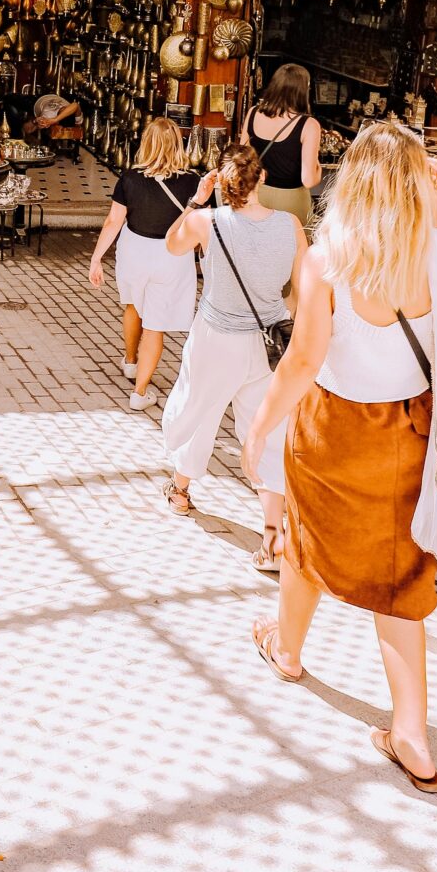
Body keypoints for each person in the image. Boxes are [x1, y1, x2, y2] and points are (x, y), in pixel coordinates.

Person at [244, 122, 437, 795]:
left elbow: (303, 359)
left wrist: (262, 420)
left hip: (334, 427)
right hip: (408, 430)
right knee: (401, 575)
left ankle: (286, 649)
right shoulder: (436, 251)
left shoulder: (329, 255)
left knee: (306, 540)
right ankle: (410, 730)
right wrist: (435, 207)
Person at [159, 142, 300, 571]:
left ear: (221, 183)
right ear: (262, 179)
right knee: (267, 433)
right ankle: (273, 539)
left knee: (198, 411)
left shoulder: (206, 221)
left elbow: (171, 245)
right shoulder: (291, 225)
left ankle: (181, 492)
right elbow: (301, 289)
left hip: (217, 336)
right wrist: (278, 319)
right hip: (267, 344)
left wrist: (196, 200)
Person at [87, 118, 202, 412]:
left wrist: (96, 257)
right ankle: (140, 392)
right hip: (172, 256)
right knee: (155, 325)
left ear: (146, 143)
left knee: (133, 306)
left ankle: (129, 361)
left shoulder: (130, 178)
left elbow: (114, 221)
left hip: (134, 252)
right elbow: (202, 226)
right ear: (179, 143)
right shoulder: (194, 181)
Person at [240, 64, 321, 220]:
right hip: (291, 201)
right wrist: (317, 166)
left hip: (256, 196)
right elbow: (309, 180)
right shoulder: (309, 125)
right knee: (293, 243)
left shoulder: (253, 113)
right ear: (303, 90)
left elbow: (243, 159)